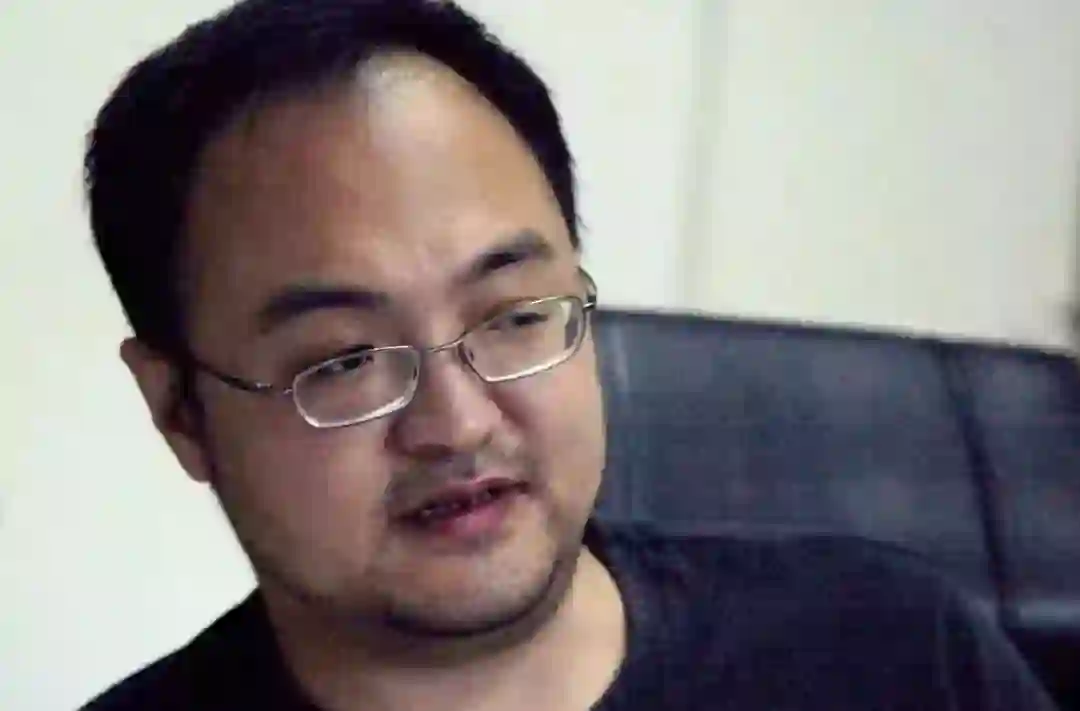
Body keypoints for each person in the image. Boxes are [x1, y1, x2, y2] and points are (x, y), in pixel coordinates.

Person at [80, 1, 1058, 710]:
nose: (458, 421)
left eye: (513, 315)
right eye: (343, 361)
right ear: (179, 410)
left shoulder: (891, 653)